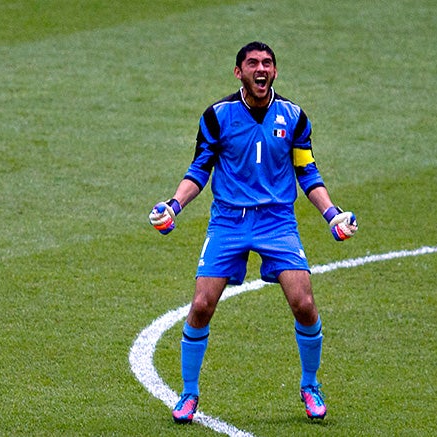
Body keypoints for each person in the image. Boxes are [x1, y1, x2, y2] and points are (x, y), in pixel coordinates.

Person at [149, 41, 358, 424]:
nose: (261, 69)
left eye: (267, 63)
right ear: (238, 72)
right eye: (252, 63)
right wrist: (173, 206)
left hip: (277, 222)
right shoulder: (218, 116)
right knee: (201, 305)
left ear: (274, 71)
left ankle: (310, 385)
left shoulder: (294, 117)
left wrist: (332, 215)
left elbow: (307, 171)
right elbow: (199, 169)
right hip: (229, 221)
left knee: (304, 304)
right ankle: (189, 393)